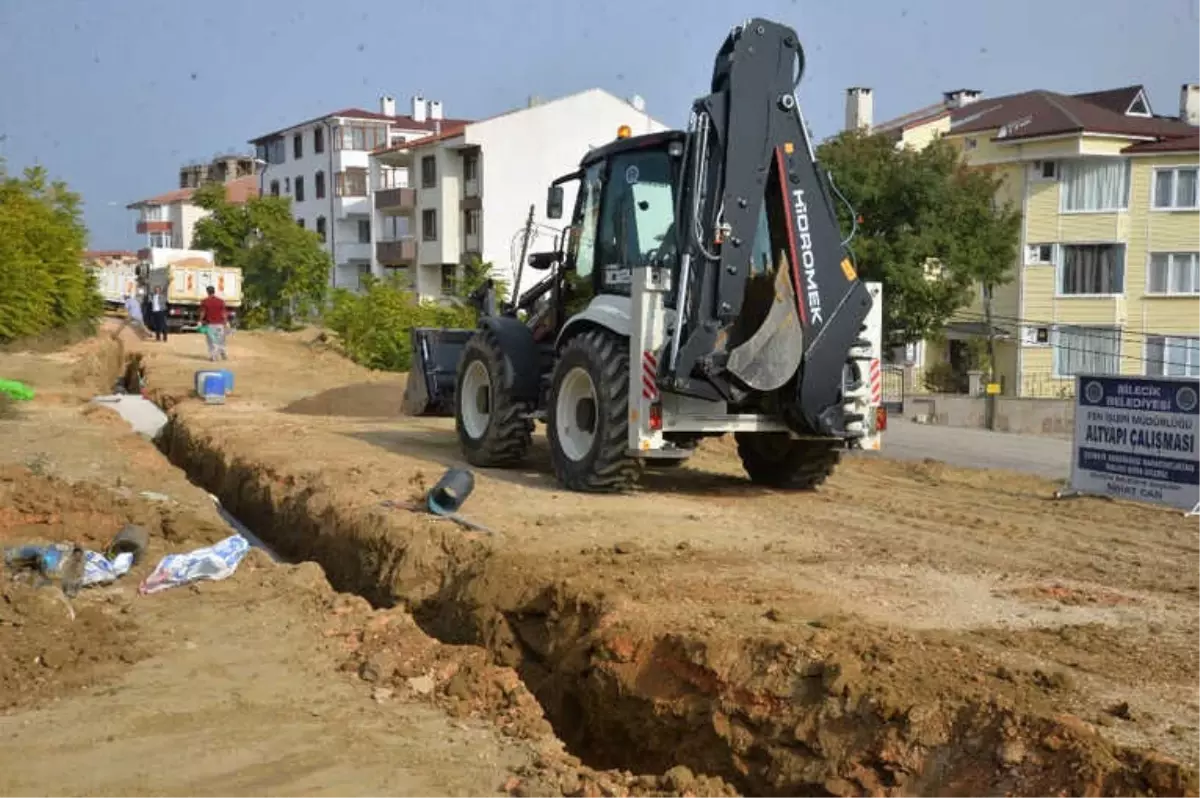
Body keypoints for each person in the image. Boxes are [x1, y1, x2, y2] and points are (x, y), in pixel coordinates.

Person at [198, 285, 228, 361]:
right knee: (220, 339)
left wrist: (200, 321)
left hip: (209, 324)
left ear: (207, 292)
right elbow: (224, 313)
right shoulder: (221, 301)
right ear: (214, 291)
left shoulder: (204, 301)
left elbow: (203, 313)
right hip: (220, 324)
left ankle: (214, 356)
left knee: (211, 341)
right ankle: (223, 353)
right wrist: (226, 322)